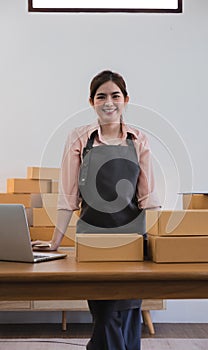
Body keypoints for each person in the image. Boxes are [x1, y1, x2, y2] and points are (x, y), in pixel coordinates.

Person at [32, 70, 161, 350]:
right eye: (101, 96)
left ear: (126, 99)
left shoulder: (139, 139)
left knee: (127, 312)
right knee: (105, 314)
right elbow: (69, 196)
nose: (108, 102)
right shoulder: (79, 138)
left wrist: (155, 243)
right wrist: (55, 242)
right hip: (92, 239)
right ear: (91, 101)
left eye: (115, 95)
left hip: (133, 237)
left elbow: (148, 198)